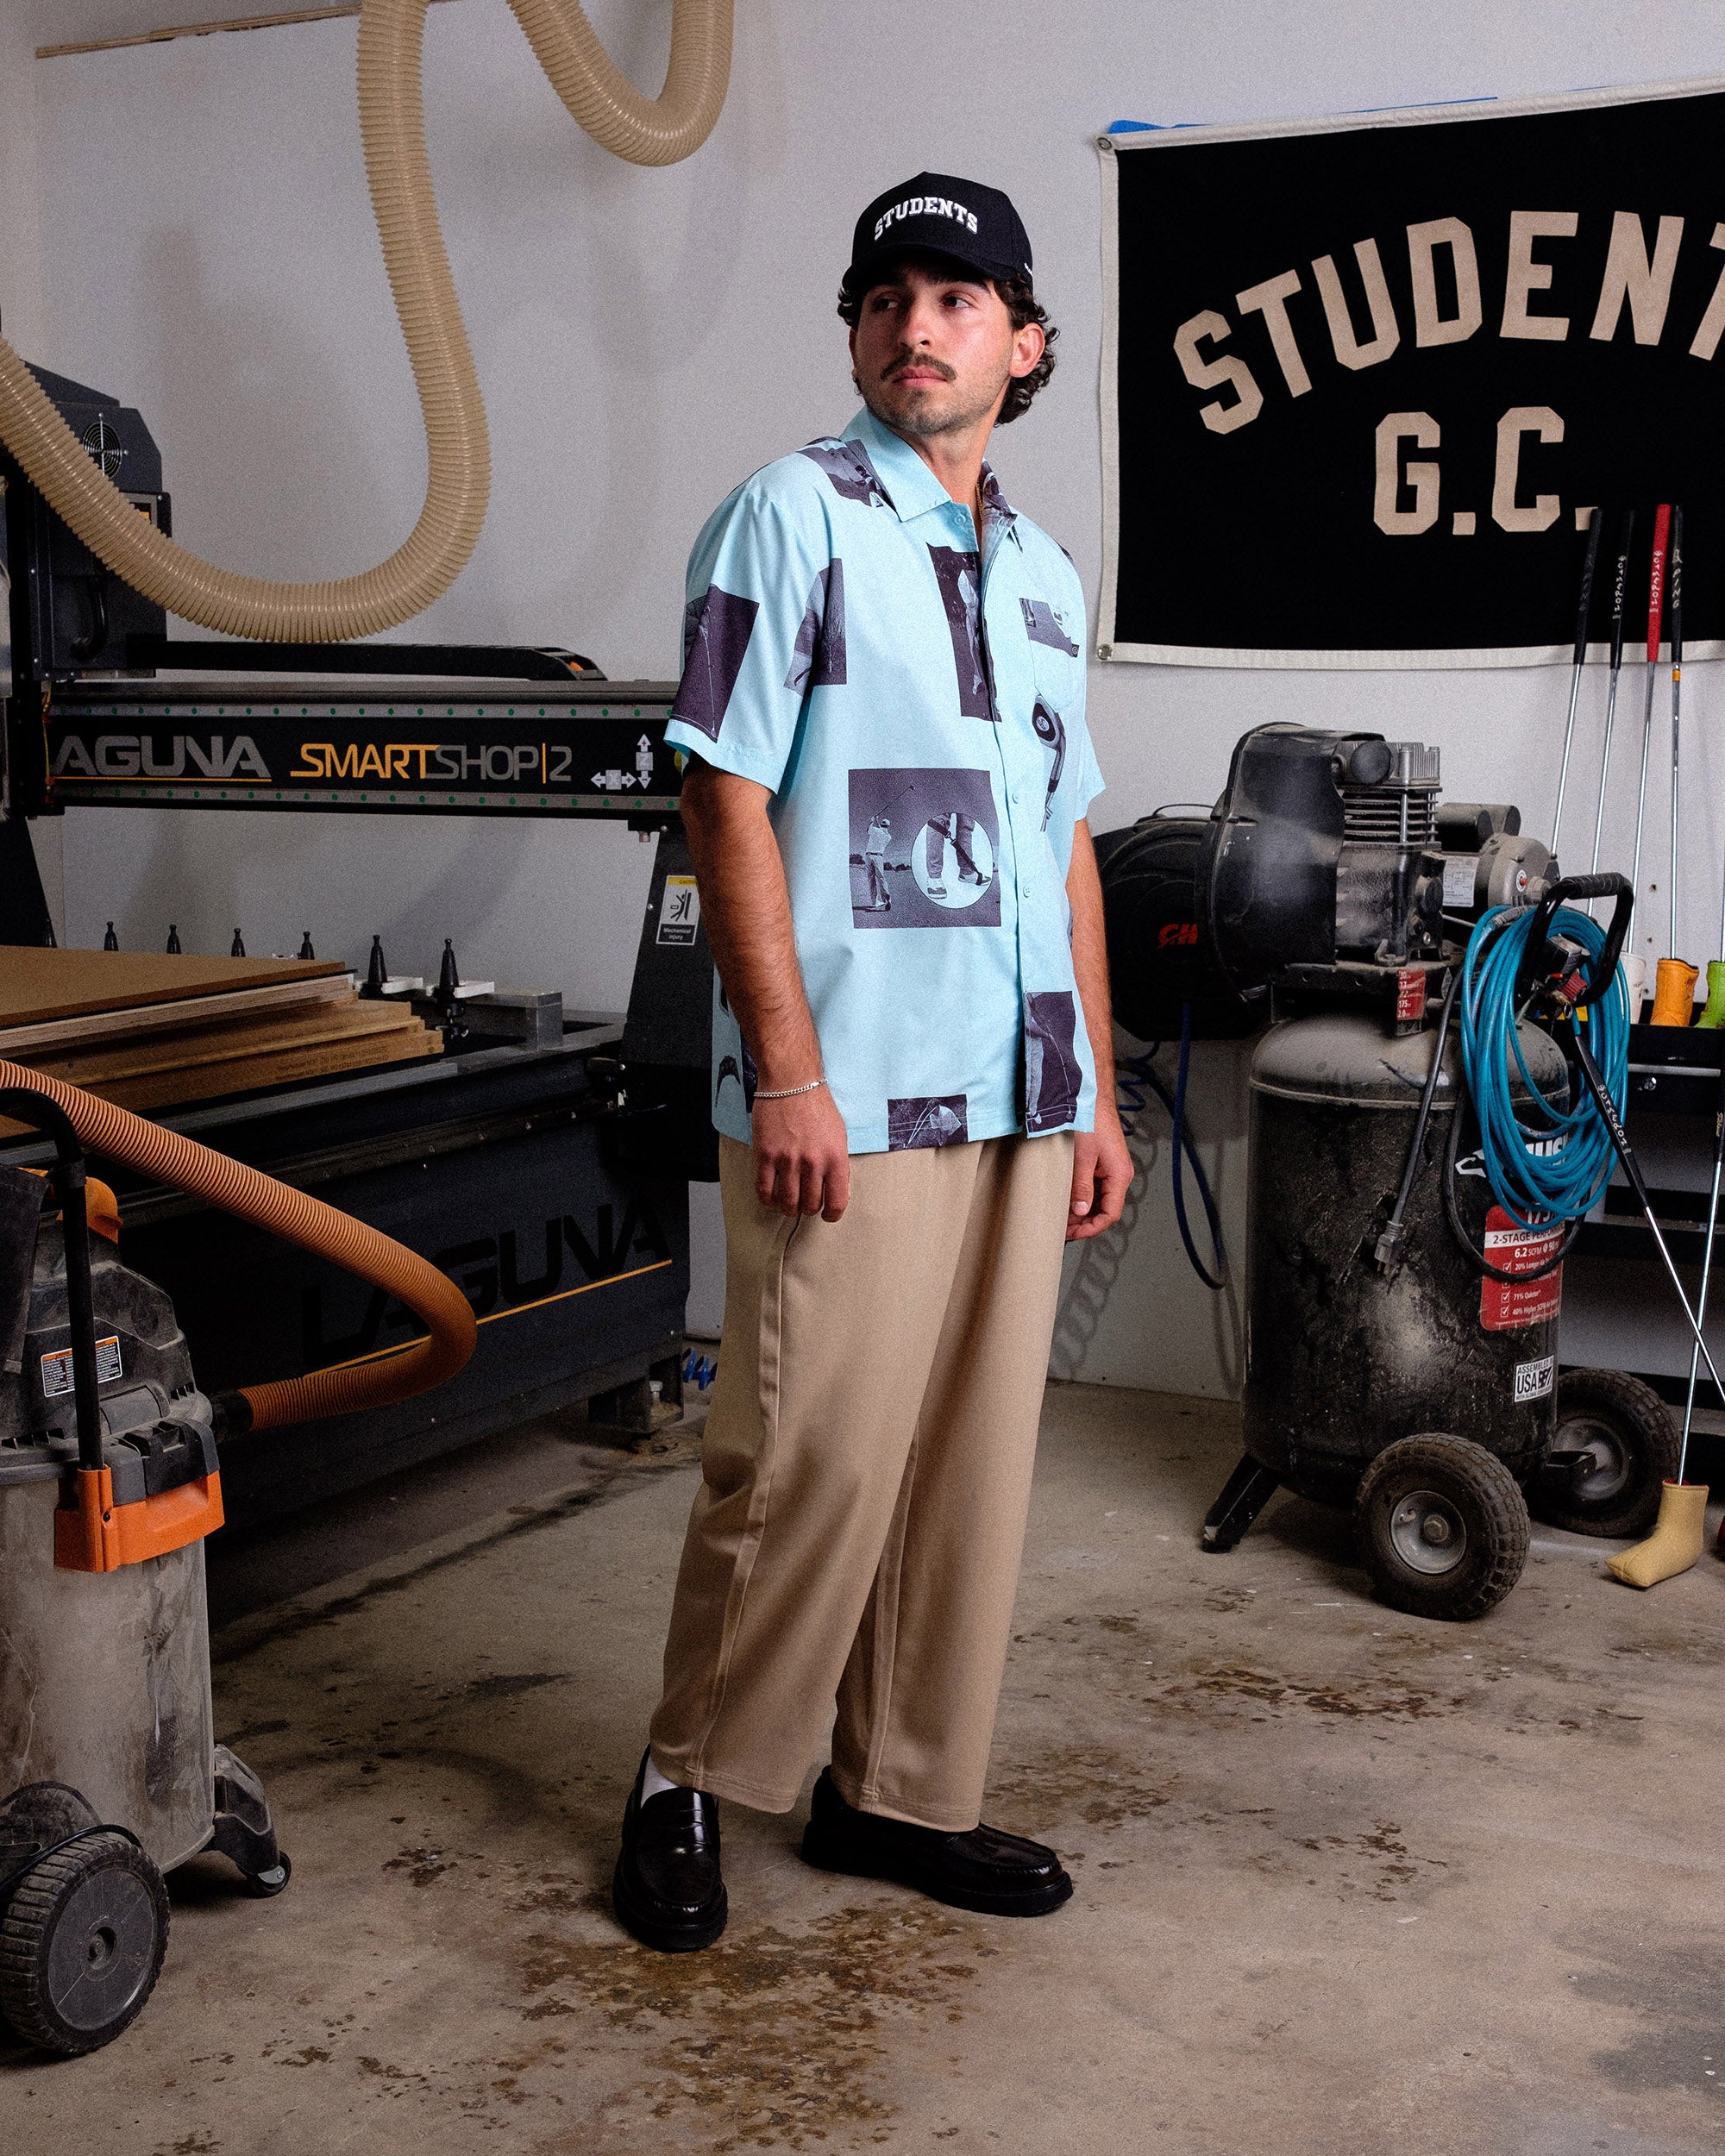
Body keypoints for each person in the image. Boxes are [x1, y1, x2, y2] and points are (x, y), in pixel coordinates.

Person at [612, 171, 1132, 1953]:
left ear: (1026, 342)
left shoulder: (1051, 576)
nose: (920, 325)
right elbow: (722, 788)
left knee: (964, 1469)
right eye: (889, 295)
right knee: (807, 1451)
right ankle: (689, 1770)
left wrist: (1097, 1086)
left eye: (960, 296)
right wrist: (788, 1069)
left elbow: (1064, 835)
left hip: (1017, 1084)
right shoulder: (790, 516)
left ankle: (897, 1790)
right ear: (858, 331)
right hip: (850, 1083)